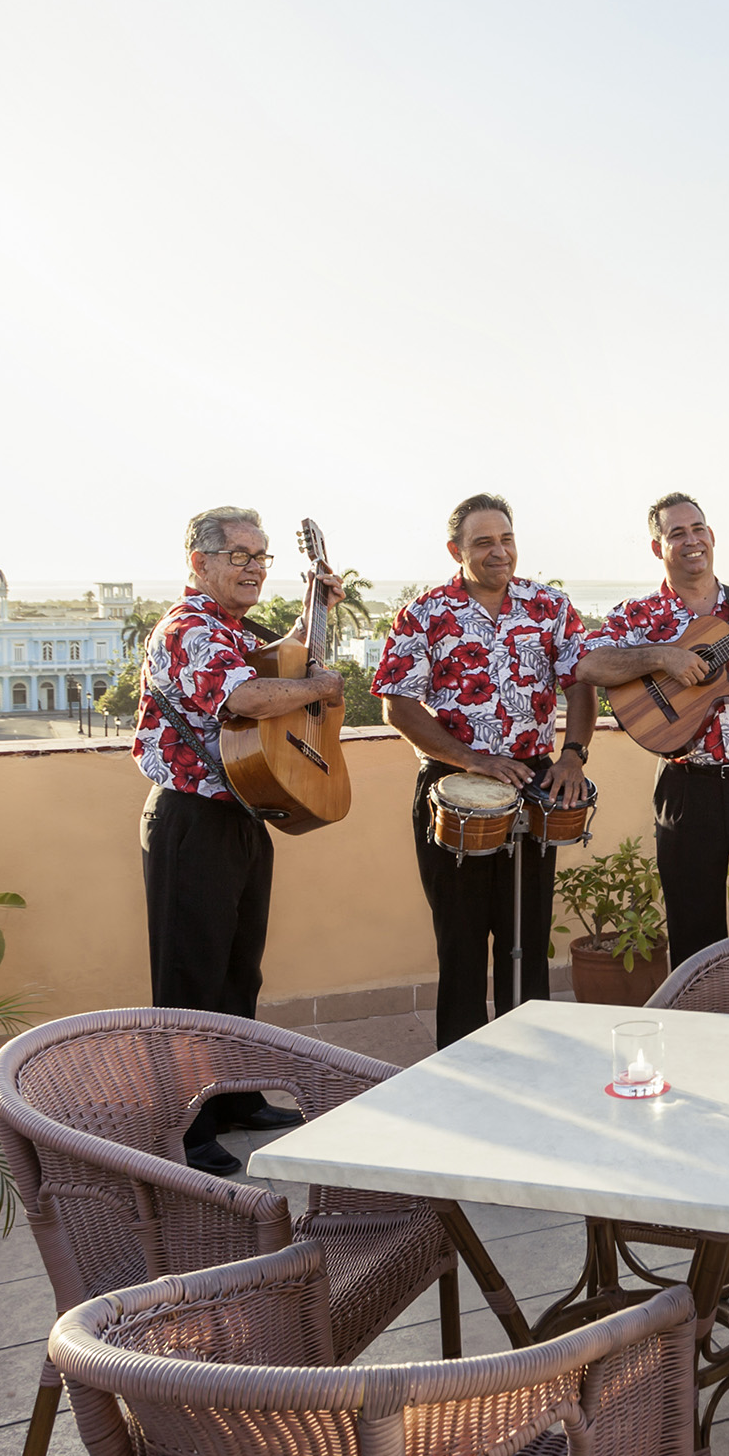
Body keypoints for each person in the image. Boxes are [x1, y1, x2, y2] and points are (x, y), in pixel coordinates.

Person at [135, 504, 345, 1175]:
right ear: (199, 562)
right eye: (239, 555)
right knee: (189, 980)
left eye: (261, 556)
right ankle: (185, 1129)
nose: (253, 567)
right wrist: (317, 686)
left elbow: (275, 661)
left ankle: (234, 1098)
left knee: (236, 973)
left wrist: (319, 609)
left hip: (241, 812)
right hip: (191, 821)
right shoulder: (188, 627)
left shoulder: (228, 627)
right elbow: (248, 697)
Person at [372, 493, 595, 1046]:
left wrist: (573, 753)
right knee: (462, 939)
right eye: (483, 543)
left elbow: (581, 684)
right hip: (453, 782)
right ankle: (463, 1073)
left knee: (527, 931)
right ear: (456, 550)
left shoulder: (550, 606)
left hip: (533, 778)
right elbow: (396, 705)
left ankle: (534, 1059)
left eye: (507, 539)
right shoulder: (424, 613)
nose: (500, 553)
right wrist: (472, 759)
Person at [575, 491, 729, 961]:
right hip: (687, 790)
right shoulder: (639, 616)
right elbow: (589, 666)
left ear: (711, 537)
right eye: (677, 533)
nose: (691, 541)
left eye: (698, 530)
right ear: (658, 548)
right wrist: (662, 655)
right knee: (694, 936)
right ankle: (703, 1032)